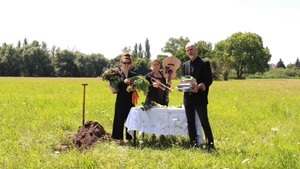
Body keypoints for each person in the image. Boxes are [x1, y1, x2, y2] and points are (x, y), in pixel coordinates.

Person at [182, 42, 215, 151]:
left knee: (204, 121)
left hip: (200, 98)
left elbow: (208, 80)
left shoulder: (204, 63)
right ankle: (193, 143)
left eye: (191, 49)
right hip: (188, 98)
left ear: (197, 50)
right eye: (187, 50)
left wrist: (200, 86)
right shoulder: (185, 65)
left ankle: (210, 144)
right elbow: (184, 80)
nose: (189, 52)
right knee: (190, 122)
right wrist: (181, 87)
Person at [111, 53, 136, 144]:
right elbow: (114, 88)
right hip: (120, 98)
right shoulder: (117, 75)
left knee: (130, 118)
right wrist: (112, 87)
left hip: (130, 99)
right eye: (124, 62)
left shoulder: (134, 75)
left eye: (128, 62)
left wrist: (134, 87)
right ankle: (118, 138)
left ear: (131, 64)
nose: (126, 64)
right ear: (121, 63)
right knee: (119, 117)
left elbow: (137, 87)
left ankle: (129, 138)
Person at [144, 59, 169, 140]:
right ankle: (153, 134)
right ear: (151, 65)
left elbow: (164, 88)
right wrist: (152, 86)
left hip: (161, 99)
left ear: (159, 66)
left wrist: (168, 86)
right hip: (152, 99)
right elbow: (144, 88)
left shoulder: (163, 76)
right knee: (153, 117)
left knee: (162, 116)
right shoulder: (148, 76)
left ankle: (162, 134)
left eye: (157, 64)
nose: (155, 66)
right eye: (154, 64)